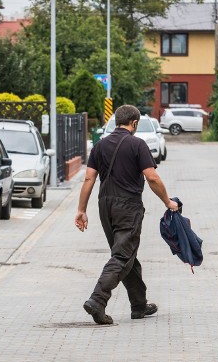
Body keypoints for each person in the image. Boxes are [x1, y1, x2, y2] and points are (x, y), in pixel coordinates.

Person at [75, 105, 179, 325]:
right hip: (128, 207)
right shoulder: (137, 144)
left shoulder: (100, 145)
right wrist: (168, 202)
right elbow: (152, 177)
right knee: (122, 256)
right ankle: (97, 299)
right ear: (134, 123)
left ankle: (139, 305)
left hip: (105, 206)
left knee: (125, 253)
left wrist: (81, 210)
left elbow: (89, 179)